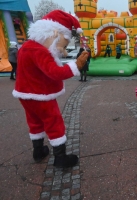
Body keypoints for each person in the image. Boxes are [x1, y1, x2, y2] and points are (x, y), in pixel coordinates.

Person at [12, 10, 89, 168]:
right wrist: (77, 66)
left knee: (34, 122)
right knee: (54, 122)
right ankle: (60, 158)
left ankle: (38, 151)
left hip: (24, 95)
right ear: (55, 33)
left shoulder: (27, 47)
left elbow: (34, 67)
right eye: (64, 44)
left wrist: (61, 50)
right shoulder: (40, 52)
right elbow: (55, 73)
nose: (63, 49)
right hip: (40, 95)